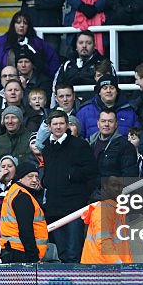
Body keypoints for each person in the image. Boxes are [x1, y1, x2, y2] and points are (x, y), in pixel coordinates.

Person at [40, 109, 98, 264]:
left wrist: (72, 176)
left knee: (73, 252)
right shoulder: (46, 148)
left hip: (74, 208)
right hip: (54, 208)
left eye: (61, 123)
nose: (58, 127)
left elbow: (91, 172)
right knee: (61, 253)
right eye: (55, 124)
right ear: (49, 126)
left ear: (67, 125)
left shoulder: (79, 145)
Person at [0, 159, 47, 264]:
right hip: (21, 253)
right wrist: (34, 258)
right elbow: (26, 230)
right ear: (20, 178)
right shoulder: (23, 197)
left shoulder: (16, 192)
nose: (34, 180)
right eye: (30, 176)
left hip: (13, 250)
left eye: (36, 177)